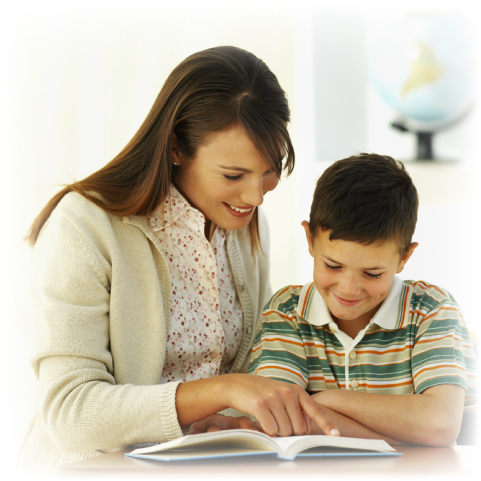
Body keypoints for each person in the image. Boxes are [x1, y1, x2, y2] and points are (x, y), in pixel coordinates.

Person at [19, 46, 338, 472]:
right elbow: (72, 414)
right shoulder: (84, 225)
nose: (256, 196)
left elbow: (249, 371)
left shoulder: (241, 229)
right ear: (175, 148)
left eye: (269, 171)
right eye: (233, 175)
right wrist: (224, 391)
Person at [249, 153, 477, 446]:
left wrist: (327, 400)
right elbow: (283, 420)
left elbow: (440, 424)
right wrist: (406, 436)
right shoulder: (287, 311)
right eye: (332, 266)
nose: (348, 288)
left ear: (404, 257)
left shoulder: (431, 310)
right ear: (310, 240)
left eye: (371, 273)